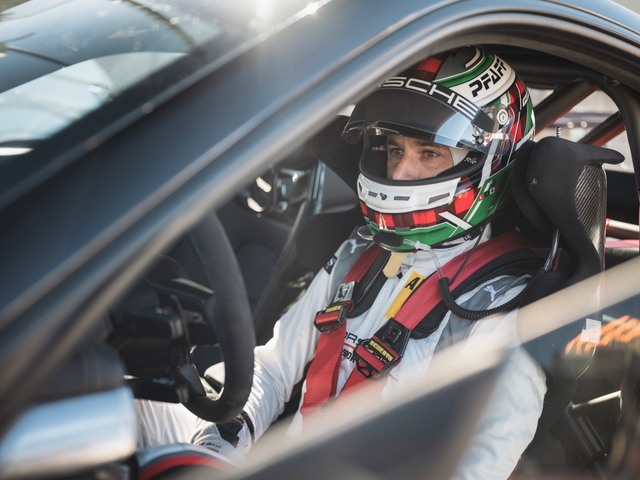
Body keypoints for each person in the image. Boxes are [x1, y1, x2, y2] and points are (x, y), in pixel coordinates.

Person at [136, 46, 547, 479]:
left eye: (429, 153)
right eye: (394, 150)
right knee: (125, 398)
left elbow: (479, 465)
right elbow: (274, 368)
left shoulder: (503, 306)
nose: (400, 173)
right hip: (285, 464)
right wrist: (220, 445)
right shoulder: (361, 250)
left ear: (489, 165)